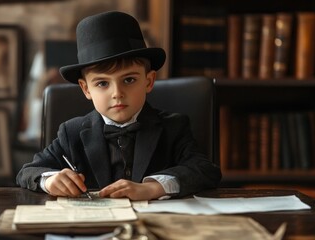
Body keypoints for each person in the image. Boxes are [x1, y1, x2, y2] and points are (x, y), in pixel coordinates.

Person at [16, 11, 221, 201]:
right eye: (102, 83)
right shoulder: (71, 133)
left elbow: (205, 170)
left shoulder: (174, 127)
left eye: (129, 80)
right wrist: (50, 180)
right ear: (86, 89)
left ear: (148, 81)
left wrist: (153, 187)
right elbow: (27, 172)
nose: (117, 93)